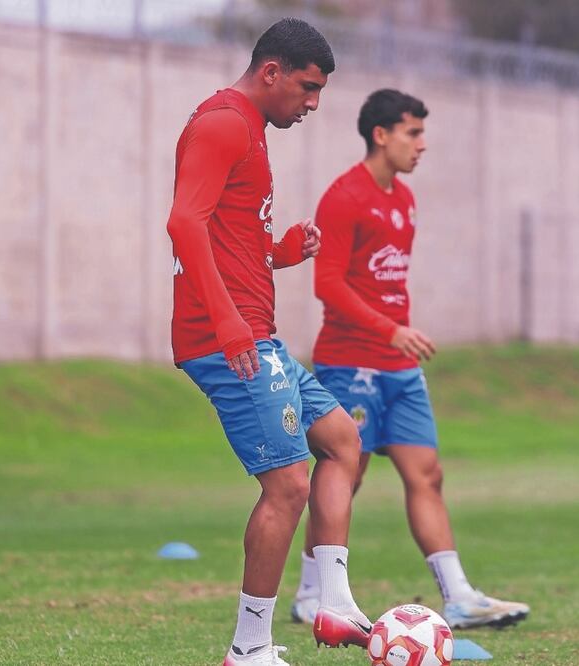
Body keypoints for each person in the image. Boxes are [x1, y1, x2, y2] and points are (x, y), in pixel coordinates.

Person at [165, 19, 371, 665]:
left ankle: (329, 600)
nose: (311, 104)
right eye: (307, 88)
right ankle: (249, 648)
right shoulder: (223, 122)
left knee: (342, 443)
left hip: (257, 334)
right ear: (271, 72)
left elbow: (224, 233)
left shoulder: (249, 129)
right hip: (227, 339)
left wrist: (274, 254)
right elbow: (183, 222)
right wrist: (227, 320)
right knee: (287, 487)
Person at [287, 89, 530, 631]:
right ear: (381, 134)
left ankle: (460, 596)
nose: (422, 145)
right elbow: (327, 284)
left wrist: (398, 335)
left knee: (428, 475)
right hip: (350, 366)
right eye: (413, 133)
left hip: (400, 370)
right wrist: (390, 329)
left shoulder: (404, 199)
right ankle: (312, 594)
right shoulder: (344, 196)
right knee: (343, 478)